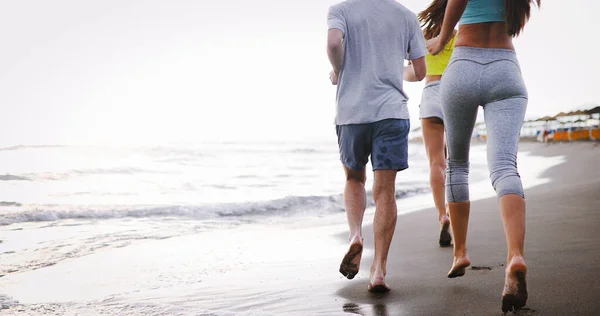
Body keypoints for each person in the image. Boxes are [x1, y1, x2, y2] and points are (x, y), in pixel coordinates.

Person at [426, 0, 540, 312]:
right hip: (505, 67)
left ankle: (460, 250)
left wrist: (442, 37)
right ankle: (515, 254)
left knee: (457, 164)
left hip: (463, 63)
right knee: (505, 166)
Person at [326, 0, 427, 292]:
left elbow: (334, 43)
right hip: (391, 113)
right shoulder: (406, 16)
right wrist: (397, 73)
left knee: (354, 178)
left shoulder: (341, 10)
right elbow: (420, 71)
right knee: (385, 192)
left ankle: (356, 235)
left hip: (351, 114)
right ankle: (379, 269)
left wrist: (338, 69)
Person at [407, 0, 458, 247]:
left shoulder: (423, 37)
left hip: (431, 93)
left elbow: (412, 73)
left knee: (436, 161)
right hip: (456, 93)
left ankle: (442, 215)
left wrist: (395, 72)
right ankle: (458, 216)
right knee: (456, 162)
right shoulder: (459, 36)